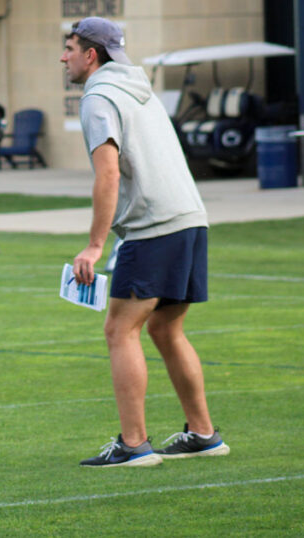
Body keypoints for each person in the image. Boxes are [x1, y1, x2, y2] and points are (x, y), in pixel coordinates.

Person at [61, 17, 230, 467]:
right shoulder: (139, 87)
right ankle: (203, 434)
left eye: (70, 48)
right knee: (165, 327)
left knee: (120, 329)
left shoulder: (98, 96)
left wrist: (94, 246)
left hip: (154, 226)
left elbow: (109, 173)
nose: (64, 57)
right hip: (191, 220)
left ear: (91, 55)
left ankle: (134, 445)